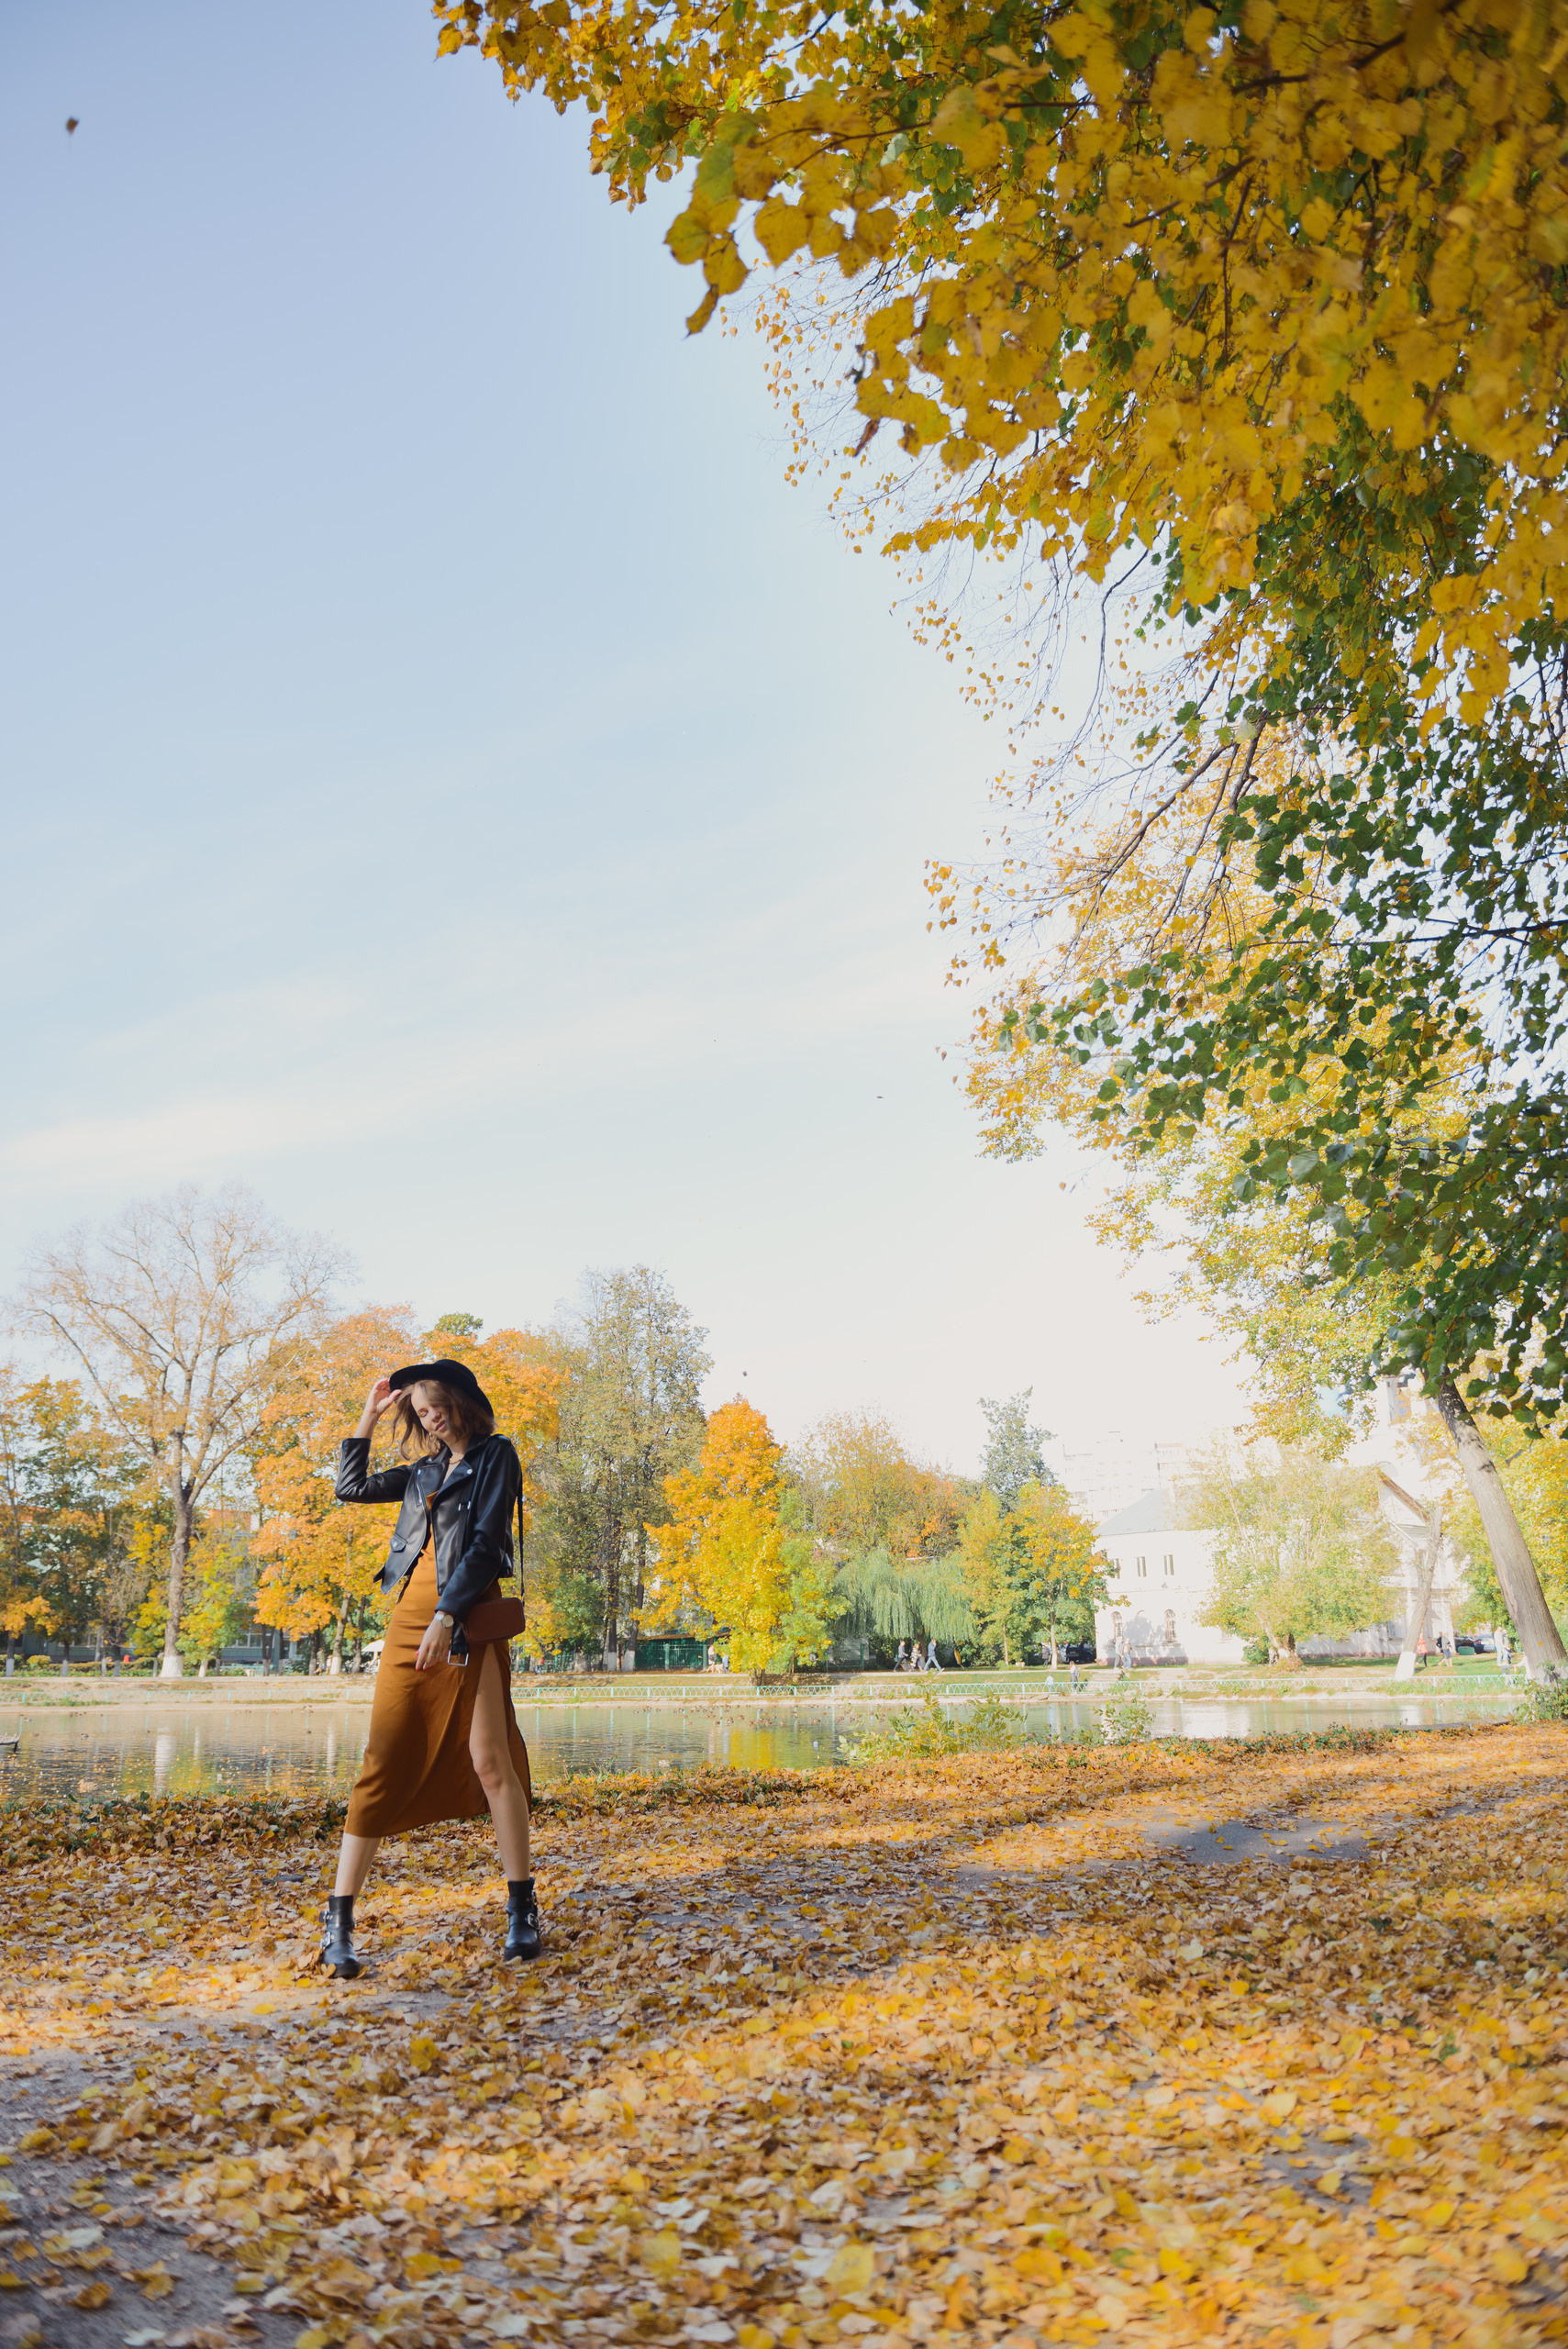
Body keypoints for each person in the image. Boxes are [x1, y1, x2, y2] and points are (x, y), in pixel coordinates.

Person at [319, 1358, 539, 1979]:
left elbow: (484, 1541)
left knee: (491, 1761)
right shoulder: (420, 1472)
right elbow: (350, 1488)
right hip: (409, 1621)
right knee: (382, 1758)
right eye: (419, 1410)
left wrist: (447, 1616)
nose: (430, 1415)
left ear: (461, 1399)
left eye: (436, 1402)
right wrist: (367, 1417)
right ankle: (338, 1920)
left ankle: (521, 1910)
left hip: (466, 1618)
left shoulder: (497, 1456)